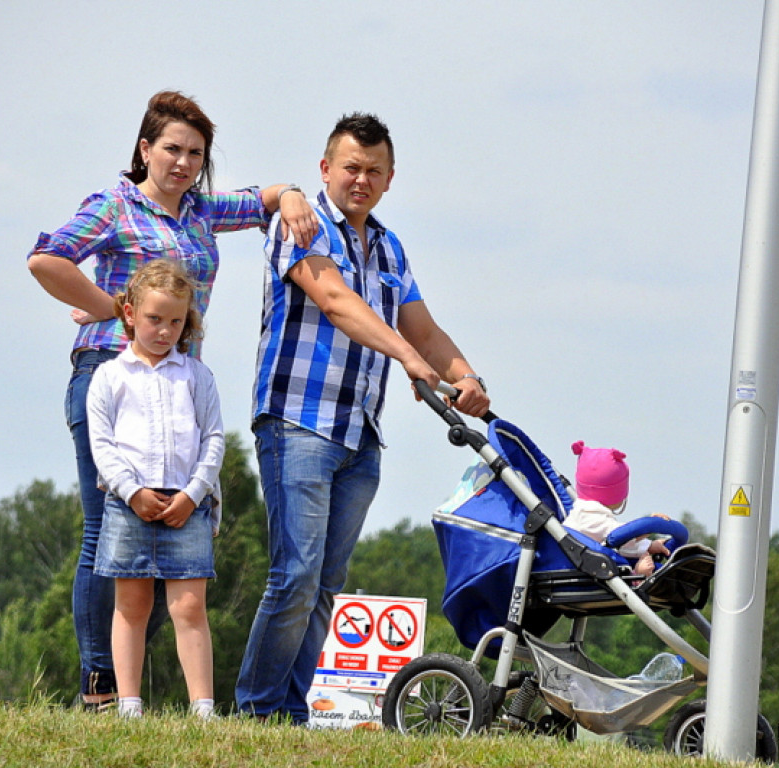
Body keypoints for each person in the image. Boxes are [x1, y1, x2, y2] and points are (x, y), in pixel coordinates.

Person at [26, 90, 318, 711]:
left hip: (183, 387)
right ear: (144, 149)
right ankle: (100, 686)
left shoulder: (202, 211)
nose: (183, 162)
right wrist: (116, 311)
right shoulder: (113, 206)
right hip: (111, 369)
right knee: (108, 529)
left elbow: (265, 198)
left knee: (171, 537)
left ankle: (135, 688)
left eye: (195, 153)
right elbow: (45, 259)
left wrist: (292, 192)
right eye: (171, 149)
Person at [235, 112, 490, 723]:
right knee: (294, 576)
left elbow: (421, 327)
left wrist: (465, 376)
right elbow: (333, 299)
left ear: (389, 179)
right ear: (326, 168)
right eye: (351, 167)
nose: (361, 179)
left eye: (374, 171)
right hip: (298, 419)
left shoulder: (389, 246)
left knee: (324, 585)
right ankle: (256, 711)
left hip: (360, 434)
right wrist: (406, 357)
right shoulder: (298, 222)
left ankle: (290, 715)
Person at [86, 259, 223, 719]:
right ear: (129, 314)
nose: (165, 330)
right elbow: (101, 445)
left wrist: (195, 494)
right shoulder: (109, 376)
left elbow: (214, 438)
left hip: (188, 504)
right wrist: (131, 492)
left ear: (188, 322)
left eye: (176, 321)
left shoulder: (197, 376)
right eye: (154, 319)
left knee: (189, 607)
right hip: (129, 505)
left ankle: (203, 709)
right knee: (131, 605)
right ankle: (128, 706)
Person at [565, 440, 670, 576]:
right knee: (648, 571)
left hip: (589, 567)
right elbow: (620, 536)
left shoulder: (584, 513)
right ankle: (637, 577)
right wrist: (649, 527)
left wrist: (649, 545)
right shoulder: (589, 516)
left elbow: (621, 543)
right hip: (589, 576)